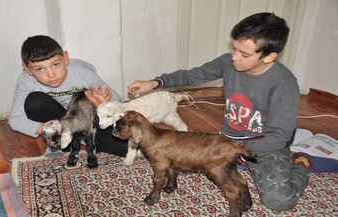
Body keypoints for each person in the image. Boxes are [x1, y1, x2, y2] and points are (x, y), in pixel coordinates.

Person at [128, 12, 309, 211]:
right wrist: (154, 83)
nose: (234, 57)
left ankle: (302, 164)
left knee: (278, 201)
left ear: (269, 57)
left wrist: (236, 148)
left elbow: (280, 135)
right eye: (234, 49)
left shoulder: (284, 83)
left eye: (244, 54)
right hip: (227, 141)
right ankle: (237, 160)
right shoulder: (228, 62)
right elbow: (192, 76)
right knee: (174, 155)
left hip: (264, 146)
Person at [9, 35, 127, 157]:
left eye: (55, 64)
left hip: (87, 120)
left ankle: (83, 139)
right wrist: (49, 129)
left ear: (66, 59)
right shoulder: (25, 81)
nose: (51, 74)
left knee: (125, 149)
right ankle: (62, 144)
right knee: (35, 102)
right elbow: (16, 120)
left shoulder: (82, 72)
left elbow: (117, 100)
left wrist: (103, 103)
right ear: (27, 69)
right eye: (40, 69)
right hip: (59, 123)